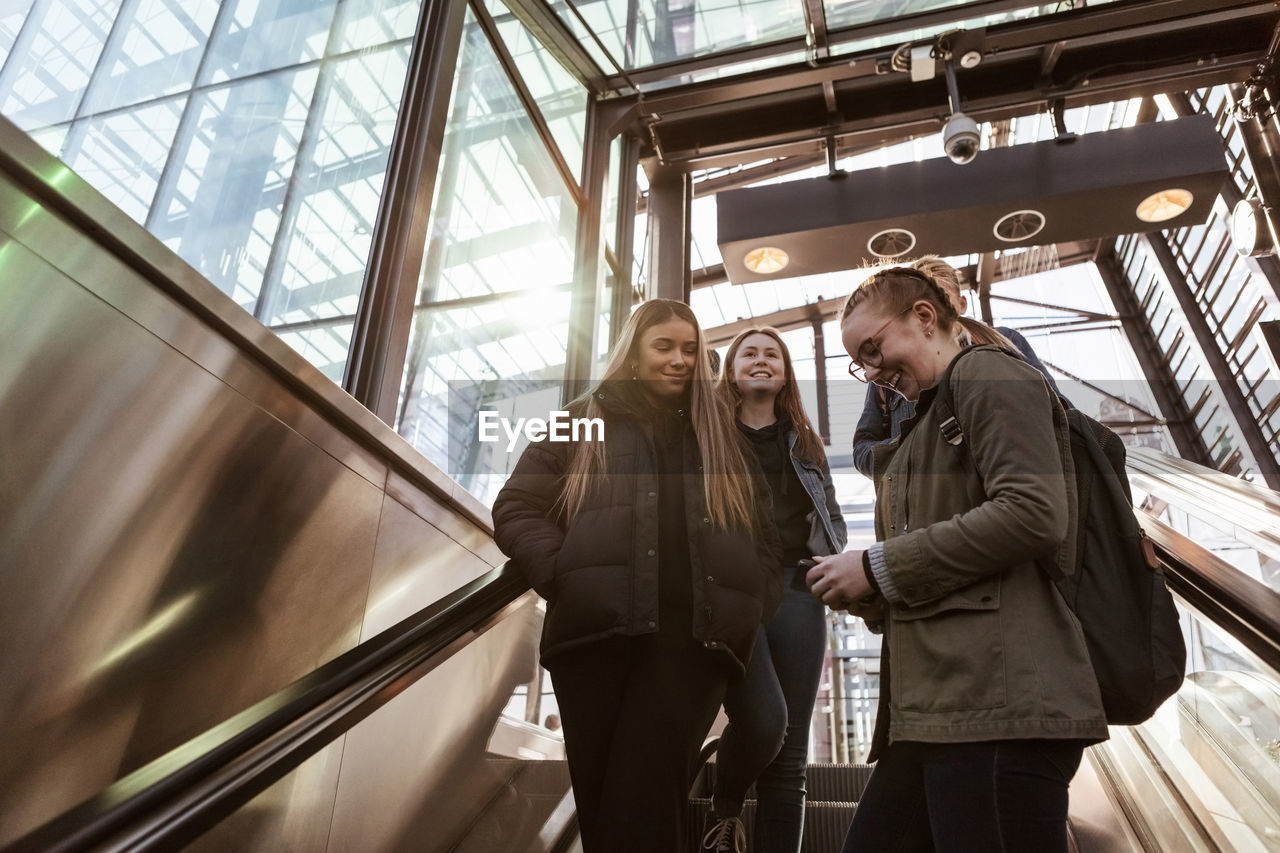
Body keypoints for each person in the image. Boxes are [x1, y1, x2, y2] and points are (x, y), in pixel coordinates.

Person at [807, 266, 1108, 851]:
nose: (871, 373)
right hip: (935, 713)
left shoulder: (988, 375)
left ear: (924, 316)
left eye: (873, 348)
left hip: (995, 709)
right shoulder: (923, 427)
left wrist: (874, 567)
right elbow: (947, 562)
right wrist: (871, 590)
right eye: (858, 363)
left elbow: (1032, 512)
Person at [491, 298, 782, 853]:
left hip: (689, 646)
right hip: (593, 640)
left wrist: (751, 604)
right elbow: (517, 506)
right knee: (603, 810)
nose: (680, 360)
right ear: (632, 353)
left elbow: (764, 535)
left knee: (643, 804)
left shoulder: (719, 433)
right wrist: (562, 574)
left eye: (691, 350)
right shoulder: (582, 419)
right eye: (665, 347)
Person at [702, 327, 847, 853]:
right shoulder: (708, 431)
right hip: (732, 589)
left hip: (797, 588)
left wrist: (831, 562)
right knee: (765, 721)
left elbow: (827, 512)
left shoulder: (804, 440)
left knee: (790, 754)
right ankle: (725, 808)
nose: (761, 360)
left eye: (772, 354)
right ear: (732, 370)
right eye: (750, 353)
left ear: (784, 372)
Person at [851, 255, 1063, 478]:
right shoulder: (890, 373)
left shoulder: (1005, 341)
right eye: (917, 309)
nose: (931, 316)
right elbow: (862, 449)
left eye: (941, 300)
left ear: (961, 304)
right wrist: (913, 453)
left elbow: (1057, 412)